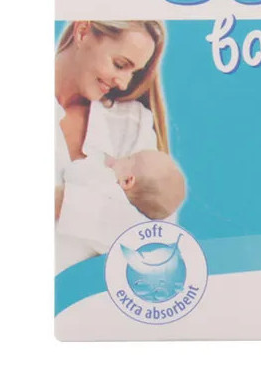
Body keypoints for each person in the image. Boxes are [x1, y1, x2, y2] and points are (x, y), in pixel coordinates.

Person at [54, 20, 186, 270]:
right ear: (82, 32)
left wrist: (64, 202)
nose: (124, 83)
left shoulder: (131, 122)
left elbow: (156, 239)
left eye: (133, 73)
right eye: (120, 64)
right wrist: (106, 214)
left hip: (91, 290)